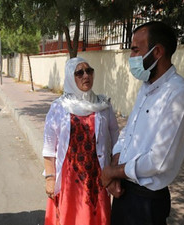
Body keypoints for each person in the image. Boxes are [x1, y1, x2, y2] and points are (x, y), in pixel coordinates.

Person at [101, 21, 184, 225]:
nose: (132, 58)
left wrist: (113, 172)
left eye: (136, 50)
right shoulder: (147, 87)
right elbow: (129, 132)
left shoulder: (179, 93)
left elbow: (159, 160)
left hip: (146, 202)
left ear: (157, 52)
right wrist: (114, 168)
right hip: (124, 192)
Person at [43, 57, 119, 225]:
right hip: (69, 179)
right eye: (79, 73)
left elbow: (115, 137)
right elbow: (49, 147)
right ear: (71, 77)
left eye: (89, 71)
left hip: (97, 178)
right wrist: (49, 178)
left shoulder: (103, 105)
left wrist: (114, 168)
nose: (86, 76)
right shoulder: (59, 107)